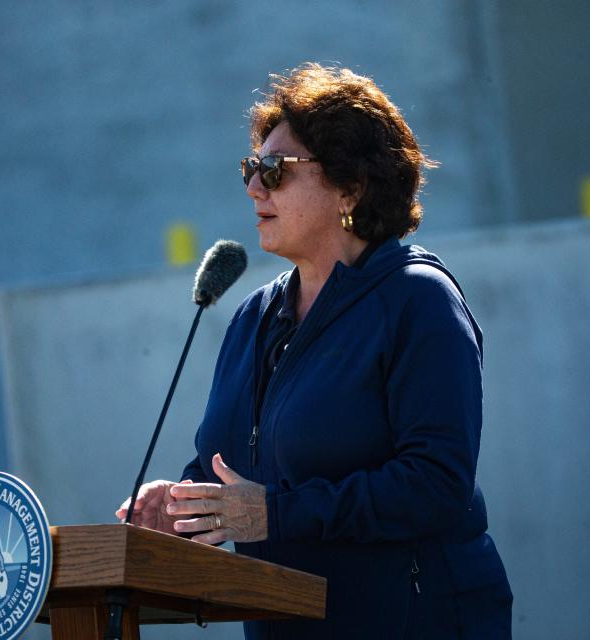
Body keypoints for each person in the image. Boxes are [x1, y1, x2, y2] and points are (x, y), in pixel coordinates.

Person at [117, 63, 512, 639]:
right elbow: (236, 469)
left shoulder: (417, 300)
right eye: (251, 168)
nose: (254, 187)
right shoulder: (254, 317)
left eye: (275, 171)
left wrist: (276, 513)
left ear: (350, 185)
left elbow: (436, 486)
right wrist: (182, 508)